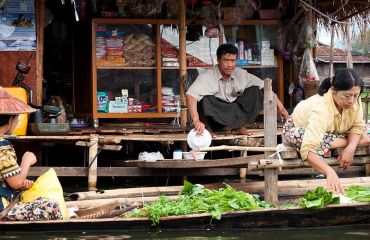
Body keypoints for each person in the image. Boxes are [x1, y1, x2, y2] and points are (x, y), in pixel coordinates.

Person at [282, 68, 370, 193]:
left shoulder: (354, 100)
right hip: (297, 130)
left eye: (355, 95)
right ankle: (347, 141)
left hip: (334, 133)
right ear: (333, 91)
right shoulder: (321, 108)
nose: (351, 101)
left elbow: (357, 126)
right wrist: (329, 171)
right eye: (346, 96)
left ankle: (343, 141)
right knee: (304, 137)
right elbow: (308, 149)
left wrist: (350, 148)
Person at [186, 44, 288, 137]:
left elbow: (265, 86)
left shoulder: (241, 74)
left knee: (255, 90)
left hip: (232, 113)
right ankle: (207, 129)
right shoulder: (207, 76)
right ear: (218, 60)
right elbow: (191, 95)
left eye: (233, 60)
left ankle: (238, 127)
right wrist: (196, 121)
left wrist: (281, 108)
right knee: (204, 99)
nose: (230, 65)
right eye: (226, 60)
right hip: (215, 117)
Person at [0, 87, 62, 221]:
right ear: (10, 120)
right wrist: (26, 161)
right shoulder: (2, 147)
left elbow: (12, 180)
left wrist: (22, 183)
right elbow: (16, 182)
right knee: (52, 206)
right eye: (16, 119)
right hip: (2, 210)